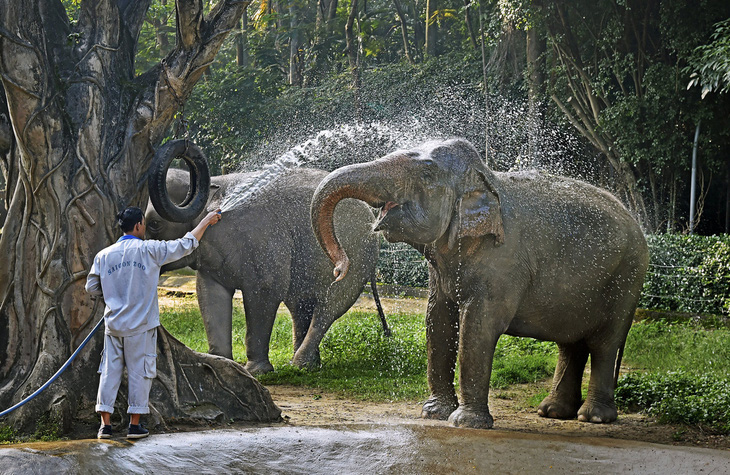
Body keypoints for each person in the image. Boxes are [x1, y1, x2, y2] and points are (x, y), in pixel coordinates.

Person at [86, 206, 222, 440]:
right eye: (144, 224)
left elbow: (91, 287)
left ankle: (105, 426)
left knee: (109, 372)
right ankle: (134, 426)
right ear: (138, 225)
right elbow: (186, 244)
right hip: (140, 327)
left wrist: (113, 295)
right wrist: (207, 221)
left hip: (114, 326)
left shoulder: (104, 255)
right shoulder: (150, 250)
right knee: (140, 372)